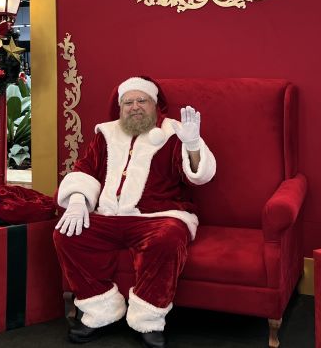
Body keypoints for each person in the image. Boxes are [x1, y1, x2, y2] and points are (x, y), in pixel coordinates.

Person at [53, 76, 216, 348]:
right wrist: (79, 199)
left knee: (168, 237)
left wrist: (192, 145)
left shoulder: (174, 132)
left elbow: (198, 177)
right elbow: (86, 168)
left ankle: (148, 320)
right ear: (120, 107)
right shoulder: (106, 134)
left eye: (142, 100)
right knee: (67, 235)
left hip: (158, 217)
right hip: (108, 216)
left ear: (155, 105)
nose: (135, 106)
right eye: (128, 102)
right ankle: (101, 312)